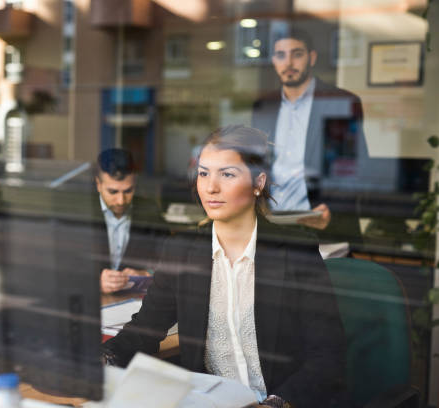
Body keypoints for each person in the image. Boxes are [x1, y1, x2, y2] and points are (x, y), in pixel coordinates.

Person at [102, 126, 347, 408]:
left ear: (258, 183)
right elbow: (143, 331)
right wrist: (101, 359)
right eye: (204, 173)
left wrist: (275, 404)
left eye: (227, 174)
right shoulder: (183, 251)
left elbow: (328, 358)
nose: (210, 187)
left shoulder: (294, 252)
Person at [252, 27, 367, 242]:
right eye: (280, 55)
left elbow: (350, 167)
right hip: (273, 228)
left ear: (311, 58)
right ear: (274, 61)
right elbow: (256, 165)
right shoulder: (263, 106)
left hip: (323, 226)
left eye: (297, 54)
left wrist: (331, 212)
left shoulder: (340, 102)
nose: (288, 63)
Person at [95, 148, 162, 293]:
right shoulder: (82, 210)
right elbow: (62, 265)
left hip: (134, 300)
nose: (121, 201)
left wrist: (147, 274)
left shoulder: (149, 210)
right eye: (113, 192)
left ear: (135, 183)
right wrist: (94, 282)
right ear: (98, 184)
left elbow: (169, 260)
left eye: (128, 191)